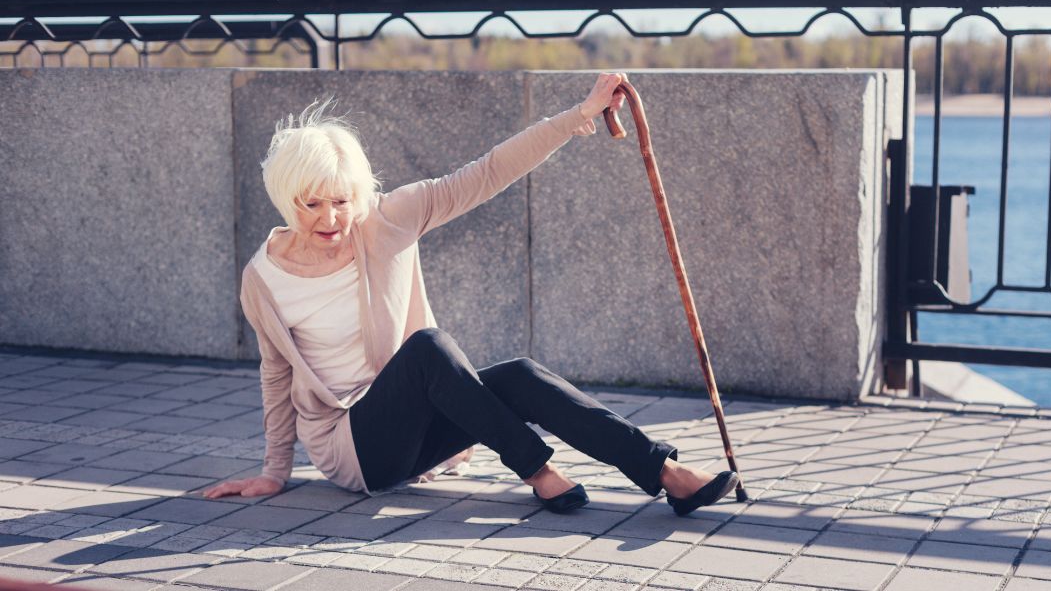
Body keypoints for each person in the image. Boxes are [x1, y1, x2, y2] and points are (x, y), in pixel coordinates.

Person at [201, 73, 739, 516]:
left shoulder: (386, 220)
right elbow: (276, 373)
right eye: (312, 204)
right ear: (285, 196)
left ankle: (665, 473)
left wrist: (581, 113)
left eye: (341, 201)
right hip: (357, 451)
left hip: (425, 429)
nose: (331, 218)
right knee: (428, 349)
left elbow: (487, 172)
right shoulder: (265, 278)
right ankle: (537, 469)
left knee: (521, 376)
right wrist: (275, 472)